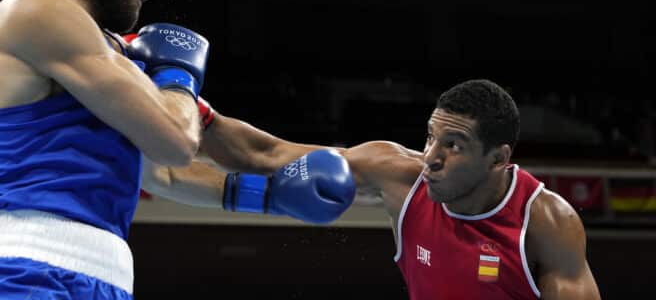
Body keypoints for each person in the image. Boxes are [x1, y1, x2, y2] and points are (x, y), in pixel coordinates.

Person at [0, 0, 354, 299]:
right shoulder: (35, 11)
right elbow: (177, 141)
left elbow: (162, 173)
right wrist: (178, 76)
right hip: (27, 270)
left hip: (99, 275)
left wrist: (270, 195)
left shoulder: (105, 48)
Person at [148, 79, 601, 299]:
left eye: (454, 145)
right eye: (430, 137)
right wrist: (183, 99)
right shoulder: (398, 174)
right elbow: (265, 155)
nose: (431, 157)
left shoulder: (545, 223)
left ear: (499, 159)